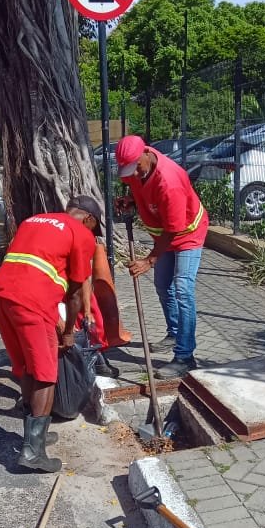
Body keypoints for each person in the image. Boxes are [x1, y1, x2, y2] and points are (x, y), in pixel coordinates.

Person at [0, 195, 102, 472]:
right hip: (31, 304)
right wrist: (66, 332)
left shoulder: (33, 221)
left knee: (28, 365)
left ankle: (36, 433)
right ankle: (32, 451)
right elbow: (75, 294)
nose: (92, 233)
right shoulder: (81, 234)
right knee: (45, 374)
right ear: (88, 219)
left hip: (1, 297)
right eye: (93, 227)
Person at [114, 134, 208, 379]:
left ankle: (185, 356)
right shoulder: (134, 168)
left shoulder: (170, 181)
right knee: (162, 285)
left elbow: (174, 229)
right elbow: (140, 189)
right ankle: (175, 332)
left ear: (146, 153)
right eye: (127, 170)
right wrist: (131, 200)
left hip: (187, 234)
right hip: (164, 235)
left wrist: (149, 260)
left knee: (182, 289)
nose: (132, 174)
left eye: (136, 168)